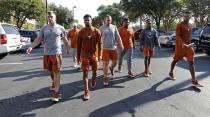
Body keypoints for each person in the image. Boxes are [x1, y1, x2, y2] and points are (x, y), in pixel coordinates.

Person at [26, 11, 70, 102]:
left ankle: (56, 93)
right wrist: (31, 47)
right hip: (47, 54)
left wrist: (68, 49)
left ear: (55, 17)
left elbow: (65, 40)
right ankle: (54, 82)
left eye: (51, 16)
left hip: (57, 53)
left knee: (57, 72)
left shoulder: (60, 28)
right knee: (50, 71)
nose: (49, 18)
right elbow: (38, 39)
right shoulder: (44, 28)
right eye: (48, 17)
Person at [169, 11, 202, 87]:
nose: (186, 17)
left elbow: (188, 36)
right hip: (180, 47)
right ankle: (171, 72)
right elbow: (178, 36)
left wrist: (189, 44)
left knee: (191, 62)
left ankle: (194, 80)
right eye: (184, 16)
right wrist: (182, 43)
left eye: (187, 16)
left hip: (188, 47)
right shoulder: (179, 25)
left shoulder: (190, 25)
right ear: (183, 17)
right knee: (175, 60)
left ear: (190, 17)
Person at [77, 14, 103, 100]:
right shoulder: (81, 32)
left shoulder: (97, 31)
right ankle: (86, 90)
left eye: (88, 20)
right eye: (85, 20)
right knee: (85, 72)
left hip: (94, 55)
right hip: (85, 55)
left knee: (95, 72)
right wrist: (78, 57)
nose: (86, 21)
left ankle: (93, 80)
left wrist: (100, 55)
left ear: (91, 21)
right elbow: (79, 46)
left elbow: (100, 44)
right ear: (83, 21)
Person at [99, 15, 124, 85]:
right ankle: (105, 77)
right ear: (105, 20)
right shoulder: (101, 28)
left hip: (113, 48)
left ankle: (111, 68)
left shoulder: (114, 27)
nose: (108, 21)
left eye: (109, 20)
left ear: (111, 20)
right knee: (105, 63)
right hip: (104, 48)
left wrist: (121, 44)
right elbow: (98, 38)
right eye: (107, 20)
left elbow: (118, 36)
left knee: (115, 62)